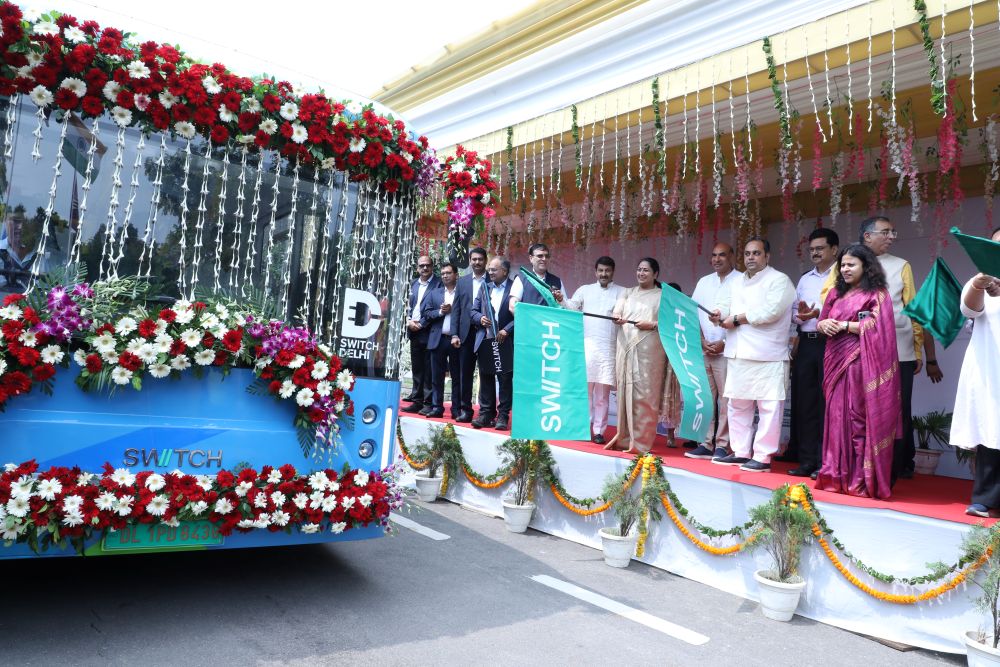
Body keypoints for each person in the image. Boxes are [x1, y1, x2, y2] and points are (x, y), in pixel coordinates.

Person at [821, 216, 935, 481]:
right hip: (849, 349)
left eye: (893, 232)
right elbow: (828, 298)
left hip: (896, 348)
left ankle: (893, 468)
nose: (891, 237)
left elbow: (913, 309)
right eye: (886, 232)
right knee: (850, 410)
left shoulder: (901, 265)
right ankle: (849, 467)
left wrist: (918, 350)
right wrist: (832, 321)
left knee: (894, 408)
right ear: (867, 236)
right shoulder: (844, 264)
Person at [814, 244, 900, 499]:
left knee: (856, 418)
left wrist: (844, 325)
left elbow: (878, 326)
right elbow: (821, 321)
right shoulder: (834, 293)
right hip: (834, 361)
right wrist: (824, 325)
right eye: (842, 265)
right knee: (835, 418)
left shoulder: (877, 294)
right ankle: (834, 475)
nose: (845, 269)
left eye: (851, 264)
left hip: (861, 363)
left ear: (866, 266)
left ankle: (859, 479)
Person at [710, 237, 796, 472]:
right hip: (739, 352)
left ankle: (763, 457)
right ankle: (740, 452)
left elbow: (771, 312)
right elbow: (724, 305)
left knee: (769, 407)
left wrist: (737, 319)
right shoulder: (736, 282)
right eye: (747, 253)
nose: (751, 257)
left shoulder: (780, 280)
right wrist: (718, 314)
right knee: (738, 404)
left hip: (769, 353)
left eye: (756, 253)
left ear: (767, 256)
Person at [953, 228, 1000, 517]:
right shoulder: (981, 280)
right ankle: (986, 499)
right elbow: (969, 311)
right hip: (990, 367)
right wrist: (980, 284)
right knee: (991, 429)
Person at [786, 228, 840, 477]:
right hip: (807, 344)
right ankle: (807, 461)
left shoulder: (842, 275)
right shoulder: (805, 279)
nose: (815, 253)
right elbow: (795, 313)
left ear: (834, 250)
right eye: (812, 249)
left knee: (827, 405)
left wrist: (817, 313)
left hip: (831, 343)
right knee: (805, 404)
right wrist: (802, 315)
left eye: (820, 248)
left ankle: (826, 463)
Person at [607, 258, 666, 454]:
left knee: (645, 395)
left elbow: (670, 324)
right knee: (625, 393)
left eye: (646, 270)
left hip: (650, 353)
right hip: (625, 349)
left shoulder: (663, 296)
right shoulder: (627, 292)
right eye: (639, 269)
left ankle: (641, 443)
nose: (641, 273)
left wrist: (652, 324)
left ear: (655, 274)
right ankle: (624, 439)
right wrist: (616, 317)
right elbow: (617, 312)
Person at [686, 242, 739, 460]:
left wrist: (724, 342)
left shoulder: (741, 281)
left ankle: (723, 445)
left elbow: (743, 318)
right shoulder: (704, 282)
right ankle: (706, 443)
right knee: (706, 399)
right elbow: (692, 313)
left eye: (722, 255)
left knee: (727, 400)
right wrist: (700, 341)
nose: (717, 259)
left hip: (728, 351)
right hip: (705, 349)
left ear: (732, 257)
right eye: (714, 255)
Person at [566, 256, 625, 444]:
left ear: (613, 272)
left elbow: (626, 314)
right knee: (585, 393)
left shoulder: (622, 292)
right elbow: (571, 307)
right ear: (595, 271)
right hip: (588, 348)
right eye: (600, 270)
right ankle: (583, 428)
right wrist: (561, 299)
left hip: (608, 349)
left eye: (607, 271)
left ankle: (599, 431)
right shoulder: (585, 290)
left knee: (602, 396)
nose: (603, 274)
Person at [471, 257, 515, 431]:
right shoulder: (485, 287)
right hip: (486, 339)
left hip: (505, 340)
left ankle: (502, 416)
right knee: (486, 377)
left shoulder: (514, 288)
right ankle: (485, 414)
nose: (490, 272)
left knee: (504, 380)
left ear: (504, 271)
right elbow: (473, 311)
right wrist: (480, 318)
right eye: (489, 269)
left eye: (494, 269)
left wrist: (507, 330)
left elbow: (522, 313)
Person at [421, 262, 465, 419]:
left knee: (457, 376)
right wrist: (440, 312)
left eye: (448, 273)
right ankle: (436, 407)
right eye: (443, 273)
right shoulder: (435, 293)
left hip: (456, 340)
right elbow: (426, 313)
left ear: (456, 275)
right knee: (436, 376)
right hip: (438, 339)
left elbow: (467, 314)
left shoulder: (463, 292)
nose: (445, 275)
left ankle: (456, 409)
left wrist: (454, 310)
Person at [402, 256, 441, 414]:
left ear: (432, 266)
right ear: (417, 268)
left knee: (429, 369)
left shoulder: (438, 283)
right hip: (413, 331)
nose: (425, 268)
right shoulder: (412, 284)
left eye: (428, 265)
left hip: (430, 330)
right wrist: (408, 321)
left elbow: (437, 307)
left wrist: (422, 324)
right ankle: (417, 401)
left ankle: (428, 403)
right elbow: (405, 305)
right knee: (417, 368)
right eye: (422, 265)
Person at [455, 247, 488, 423]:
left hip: (486, 333)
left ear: (485, 261)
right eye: (474, 259)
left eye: (480, 259)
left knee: (486, 374)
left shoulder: (492, 279)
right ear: (470, 261)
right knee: (465, 374)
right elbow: (456, 310)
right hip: (466, 334)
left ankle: (486, 412)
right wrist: (454, 334)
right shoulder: (462, 282)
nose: (477, 262)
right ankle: (465, 410)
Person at [509, 242, 567, 311]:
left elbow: (565, 308)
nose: (544, 259)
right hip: (529, 318)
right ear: (531, 258)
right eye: (540, 256)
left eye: (547, 256)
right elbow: (512, 306)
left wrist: (561, 300)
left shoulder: (557, 281)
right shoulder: (522, 278)